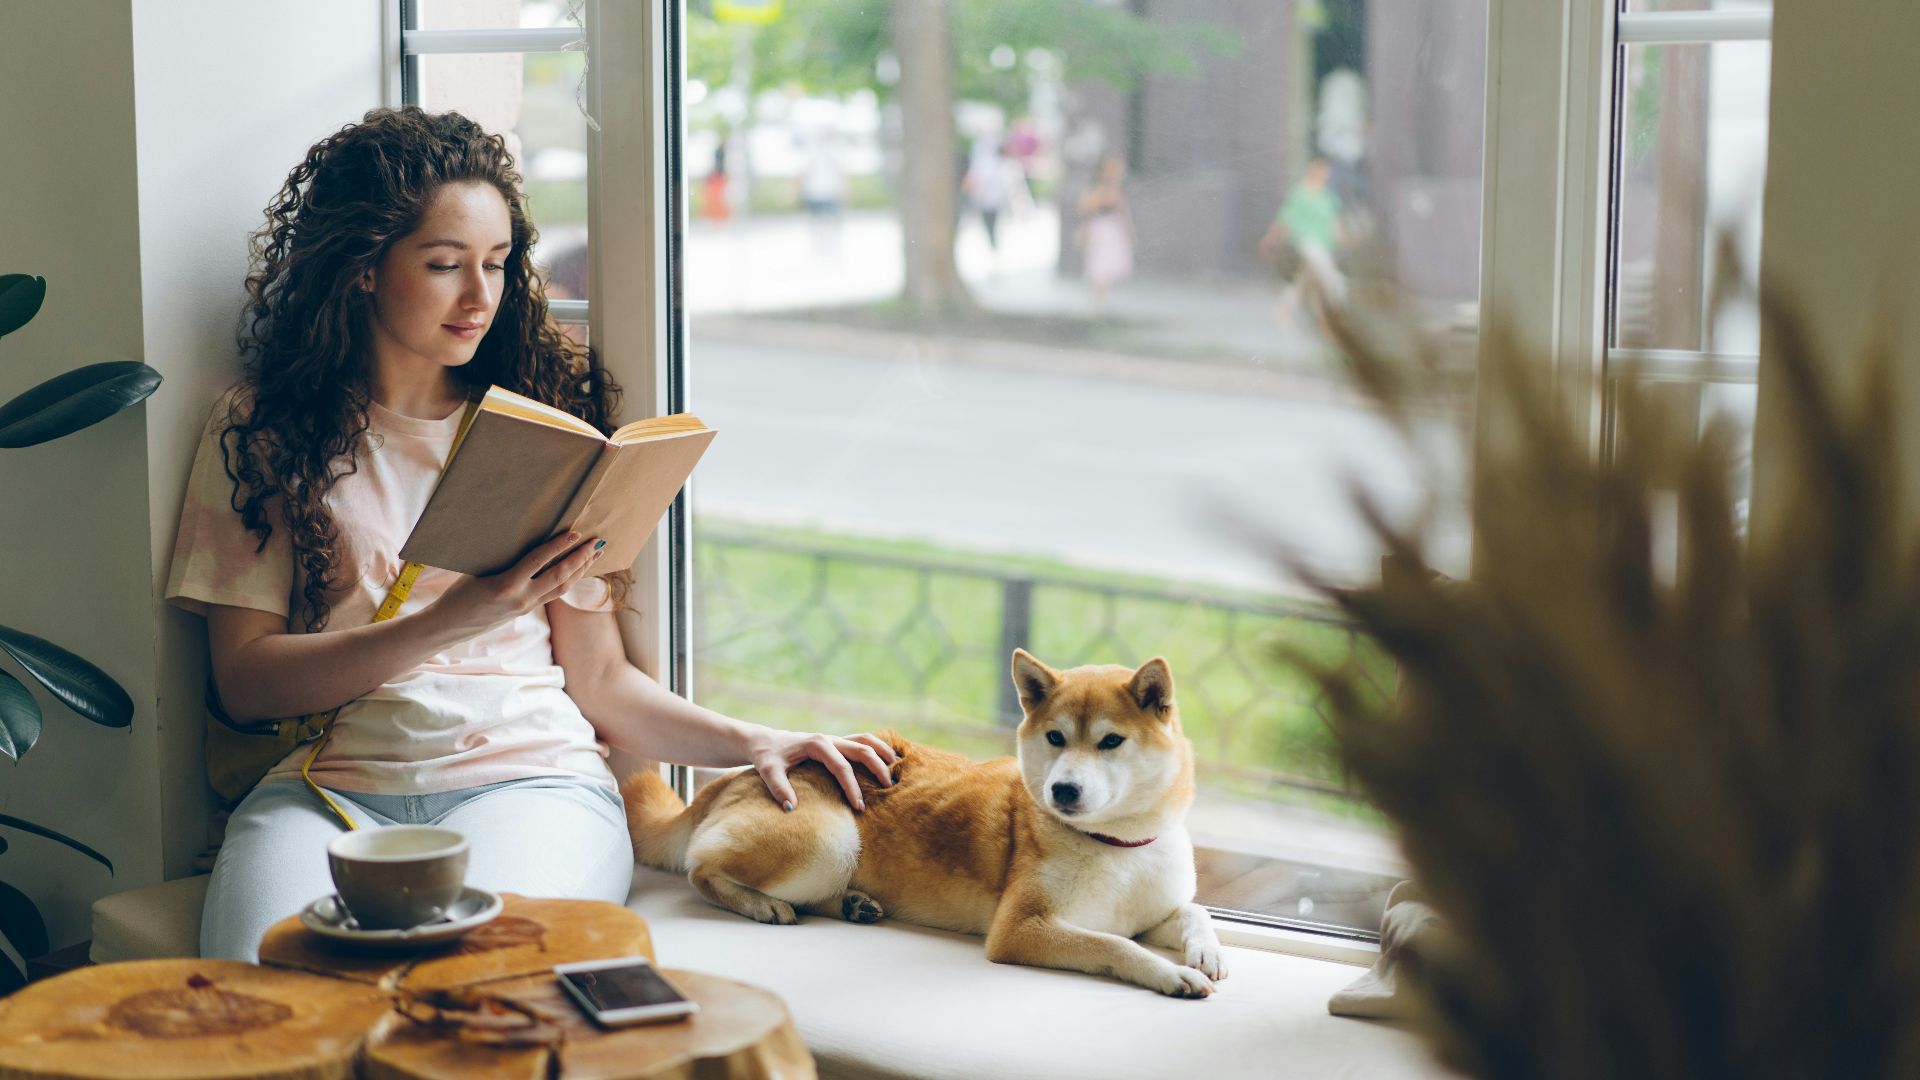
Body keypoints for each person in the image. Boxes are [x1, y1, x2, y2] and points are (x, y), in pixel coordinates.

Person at [167, 107, 898, 962]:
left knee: (482, 986)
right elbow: (244, 682)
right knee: (261, 988)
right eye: (444, 265)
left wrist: (757, 742)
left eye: (498, 264)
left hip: (532, 780)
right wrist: (457, 615)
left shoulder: (543, 434)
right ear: (363, 267)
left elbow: (597, 678)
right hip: (328, 790)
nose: (480, 296)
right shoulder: (264, 429)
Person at [1259, 156, 1346, 332]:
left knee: (1303, 282)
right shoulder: (1299, 193)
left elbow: (1335, 224)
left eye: (1326, 171)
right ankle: (1335, 313)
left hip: (1324, 246)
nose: (1323, 174)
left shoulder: (1327, 197)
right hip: (1306, 245)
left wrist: (1344, 239)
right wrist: (1270, 241)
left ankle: (1285, 312)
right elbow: (1285, 220)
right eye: (1320, 169)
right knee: (1330, 279)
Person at [1077, 153, 1135, 314]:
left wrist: (1129, 232)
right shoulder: (1097, 188)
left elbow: (1124, 212)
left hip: (1113, 229)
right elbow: (1086, 208)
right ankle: (1098, 303)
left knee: (1112, 265)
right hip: (1100, 230)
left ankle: (1101, 301)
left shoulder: (1116, 188)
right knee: (1100, 266)